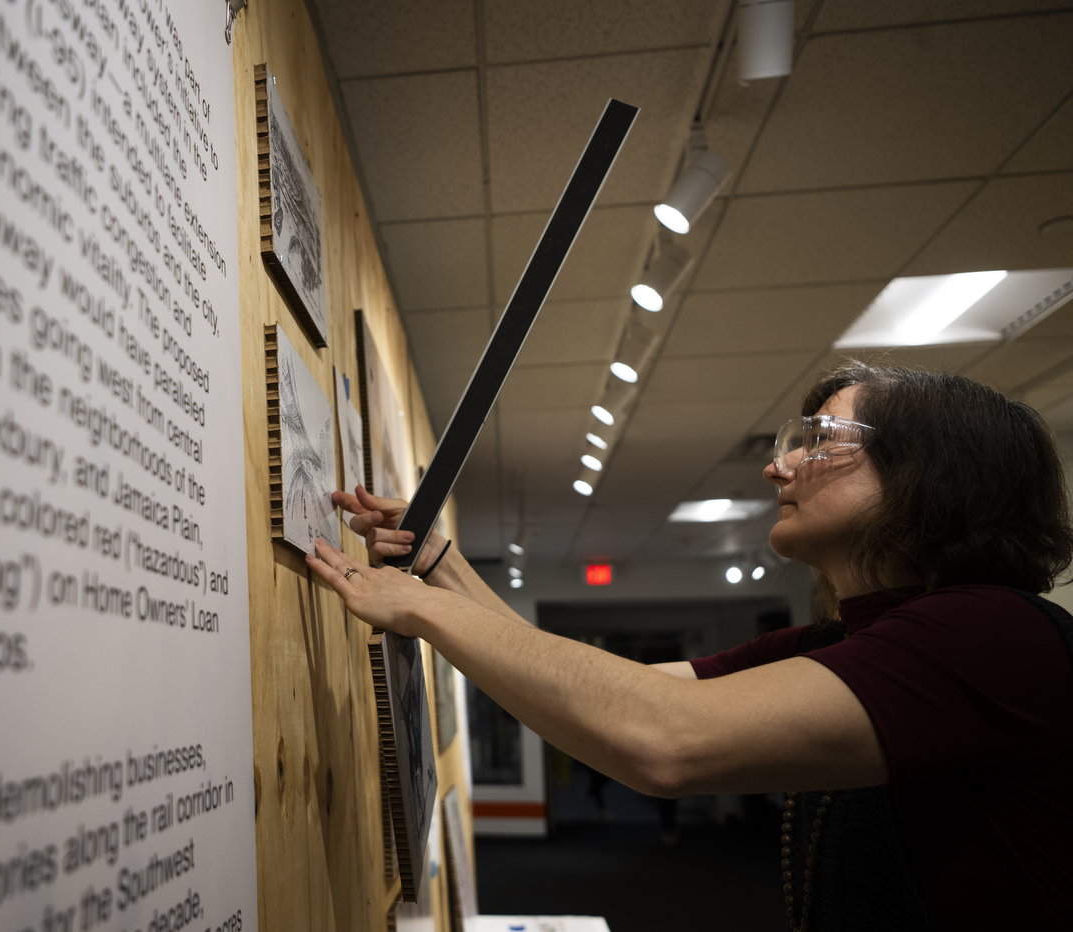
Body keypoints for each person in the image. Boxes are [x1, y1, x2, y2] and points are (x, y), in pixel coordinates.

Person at [311, 363, 1073, 931]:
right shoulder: (847, 640)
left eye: (819, 442)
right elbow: (617, 696)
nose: (778, 465)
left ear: (931, 475)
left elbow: (665, 742)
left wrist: (417, 606)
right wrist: (438, 568)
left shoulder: (994, 634)